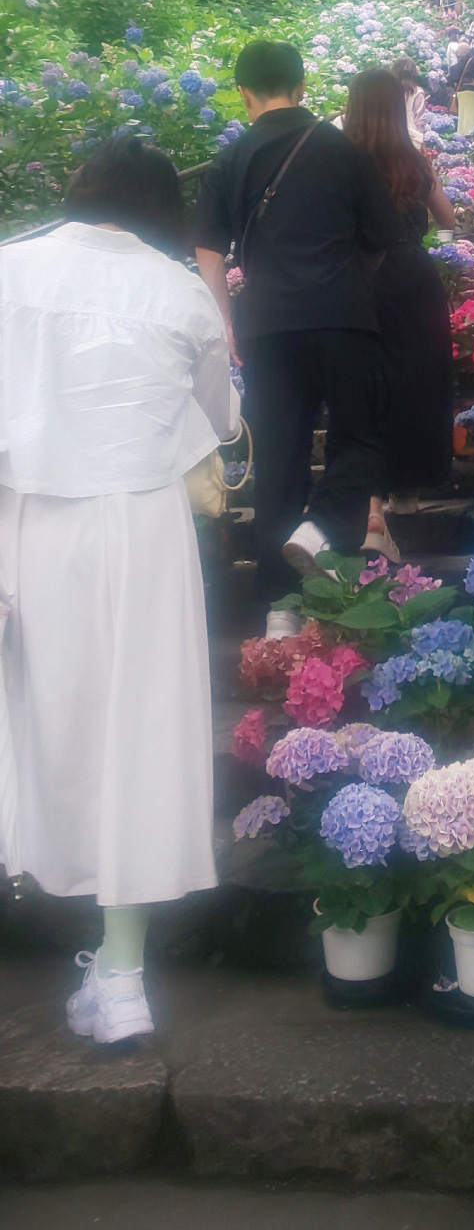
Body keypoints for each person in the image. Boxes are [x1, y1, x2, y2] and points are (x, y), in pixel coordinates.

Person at [0, 137, 239, 1045]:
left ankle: (79, 923)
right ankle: (124, 975)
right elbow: (220, 416)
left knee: (37, 717)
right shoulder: (180, 289)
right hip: (142, 528)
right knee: (141, 730)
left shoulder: (9, 271)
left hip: (28, 521)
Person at [192, 40, 403, 611]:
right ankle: (322, 531)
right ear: (303, 86)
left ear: (243, 94)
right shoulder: (343, 150)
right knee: (362, 435)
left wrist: (227, 320)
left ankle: (280, 610)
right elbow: (387, 236)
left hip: (265, 328)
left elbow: (208, 254)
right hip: (342, 318)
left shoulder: (229, 161)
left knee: (280, 460)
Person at [342, 71, 456, 515]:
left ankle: (372, 492)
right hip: (411, 275)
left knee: (367, 381)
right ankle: (409, 492)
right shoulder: (414, 160)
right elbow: (448, 219)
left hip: (358, 275)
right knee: (420, 379)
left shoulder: (340, 161)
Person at [391, 55, 427, 149]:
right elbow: (420, 119)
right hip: (411, 139)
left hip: (391, 136)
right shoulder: (417, 92)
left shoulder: (388, 91)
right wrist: (422, 142)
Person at [450, 45, 474, 135]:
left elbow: (451, 82)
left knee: (463, 117)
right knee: (473, 115)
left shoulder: (454, 67)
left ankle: (462, 136)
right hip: (472, 91)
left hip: (460, 93)